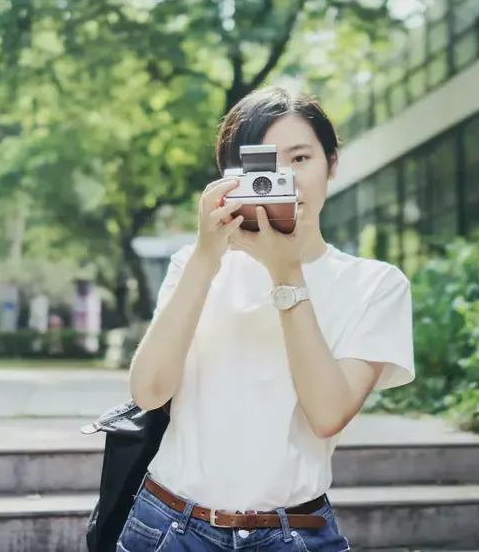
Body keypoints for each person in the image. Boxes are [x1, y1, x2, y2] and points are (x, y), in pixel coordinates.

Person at [123, 86, 415, 551]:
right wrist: (204, 257)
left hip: (295, 533)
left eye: (300, 159)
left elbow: (327, 414)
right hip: (170, 525)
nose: (283, 178)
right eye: (262, 163)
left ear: (332, 164)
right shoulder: (195, 264)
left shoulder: (375, 285)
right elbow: (149, 391)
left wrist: (287, 273)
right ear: (230, 178)